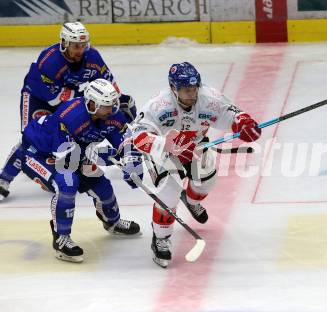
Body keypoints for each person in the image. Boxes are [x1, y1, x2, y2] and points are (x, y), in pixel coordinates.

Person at [126, 62, 261, 268]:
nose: (191, 93)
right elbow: (138, 136)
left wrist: (243, 123)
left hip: (196, 147)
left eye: (194, 88)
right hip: (163, 151)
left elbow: (232, 114)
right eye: (185, 90)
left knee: (206, 180)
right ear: (173, 88)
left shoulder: (209, 98)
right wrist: (167, 145)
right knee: (169, 193)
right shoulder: (159, 105)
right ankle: (161, 237)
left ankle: (191, 200)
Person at [0, 21, 137, 201]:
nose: (80, 50)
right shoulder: (49, 60)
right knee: (30, 136)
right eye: (75, 46)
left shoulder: (93, 57)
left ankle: (50, 167)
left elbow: (107, 81)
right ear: (64, 43)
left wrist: (116, 102)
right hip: (38, 96)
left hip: (66, 99)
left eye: (83, 45)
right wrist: (84, 97)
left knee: (65, 135)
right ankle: (4, 179)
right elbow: (53, 97)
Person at [21, 79, 142, 263]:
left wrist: (131, 162)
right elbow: (68, 157)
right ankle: (62, 238)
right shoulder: (70, 116)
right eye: (106, 105)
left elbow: (124, 143)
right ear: (92, 104)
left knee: (102, 187)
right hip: (39, 153)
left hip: (73, 152)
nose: (111, 110)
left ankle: (113, 222)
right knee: (67, 184)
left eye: (112, 104)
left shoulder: (110, 115)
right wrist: (106, 156)